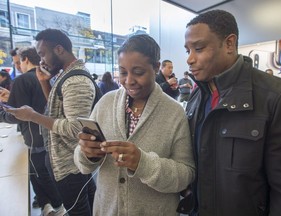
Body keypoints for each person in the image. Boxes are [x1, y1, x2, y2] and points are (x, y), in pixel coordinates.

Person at [180, 9, 281, 216]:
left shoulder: (276, 97)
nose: (190, 59)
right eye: (187, 51)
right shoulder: (196, 97)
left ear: (229, 44)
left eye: (199, 48)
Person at [73, 34, 195, 215]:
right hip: (107, 209)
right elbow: (81, 162)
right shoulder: (105, 103)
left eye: (138, 72)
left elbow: (186, 174)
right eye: (123, 72)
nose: (128, 80)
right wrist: (87, 153)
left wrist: (143, 163)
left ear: (155, 67)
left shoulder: (174, 113)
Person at [6, 28, 96, 216]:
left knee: (79, 211)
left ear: (59, 49)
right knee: (88, 207)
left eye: (42, 54)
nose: (41, 61)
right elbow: (59, 115)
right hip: (70, 161)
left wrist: (32, 116)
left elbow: (74, 128)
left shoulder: (76, 79)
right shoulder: (66, 75)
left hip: (70, 164)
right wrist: (44, 83)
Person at [0, 47, 65, 215]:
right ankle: (47, 205)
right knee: (41, 174)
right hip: (47, 134)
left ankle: (57, 207)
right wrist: (11, 97)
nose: (18, 66)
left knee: (40, 175)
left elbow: (17, 114)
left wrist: (2, 112)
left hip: (35, 137)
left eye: (18, 62)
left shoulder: (23, 80)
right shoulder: (46, 78)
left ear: (26, 59)